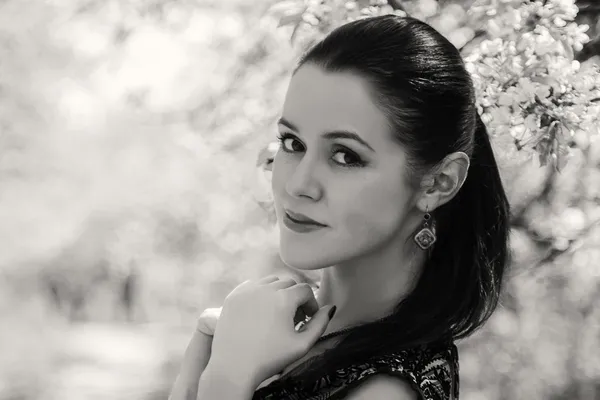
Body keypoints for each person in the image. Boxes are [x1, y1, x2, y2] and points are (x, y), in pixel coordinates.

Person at [169, 13, 510, 400]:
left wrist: (227, 381)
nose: (299, 184)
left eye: (345, 156)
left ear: (438, 182)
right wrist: (203, 365)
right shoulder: (276, 335)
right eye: (293, 144)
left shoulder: (385, 391)